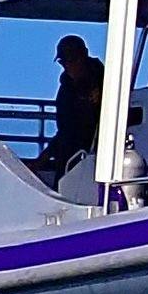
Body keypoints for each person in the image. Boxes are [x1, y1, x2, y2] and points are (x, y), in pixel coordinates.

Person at [34, 34, 105, 185]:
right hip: (68, 156)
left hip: (93, 161)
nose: (68, 65)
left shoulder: (105, 83)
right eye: (63, 61)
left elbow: (80, 128)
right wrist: (43, 158)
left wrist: (44, 158)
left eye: (72, 60)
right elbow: (66, 129)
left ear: (84, 55)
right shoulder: (66, 88)